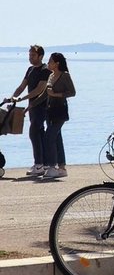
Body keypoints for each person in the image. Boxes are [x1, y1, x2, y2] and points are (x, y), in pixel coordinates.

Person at [9, 45, 49, 178]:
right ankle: (43, 163)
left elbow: (40, 89)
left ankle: (39, 164)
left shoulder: (45, 70)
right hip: (32, 106)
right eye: (29, 55)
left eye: (33, 55)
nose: (30, 58)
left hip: (42, 106)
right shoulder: (30, 69)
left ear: (40, 56)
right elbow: (22, 85)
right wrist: (13, 97)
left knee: (34, 132)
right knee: (39, 133)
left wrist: (22, 98)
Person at [40, 52, 76, 180]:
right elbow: (46, 93)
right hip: (50, 110)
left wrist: (56, 94)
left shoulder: (65, 75)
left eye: (50, 61)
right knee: (57, 138)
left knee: (49, 137)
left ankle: (52, 166)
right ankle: (61, 167)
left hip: (60, 111)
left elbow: (72, 92)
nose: (48, 63)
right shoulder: (51, 75)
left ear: (57, 63)